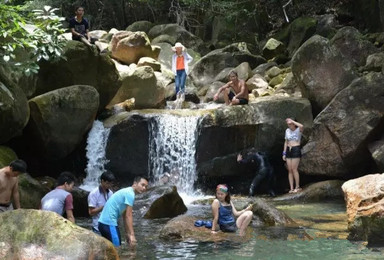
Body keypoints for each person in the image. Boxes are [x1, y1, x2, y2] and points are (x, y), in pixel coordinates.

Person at [98, 176, 148, 247]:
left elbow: (125, 216)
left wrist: (127, 233)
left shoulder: (127, 191)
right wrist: (132, 235)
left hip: (103, 224)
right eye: (142, 185)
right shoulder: (130, 194)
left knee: (109, 251)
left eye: (146, 186)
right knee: (117, 250)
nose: (144, 188)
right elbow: (129, 215)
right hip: (109, 224)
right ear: (135, 183)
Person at [88, 170, 115, 234]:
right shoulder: (94, 193)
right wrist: (103, 207)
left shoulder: (110, 193)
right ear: (102, 181)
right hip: (98, 227)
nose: (110, 185)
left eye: (111, 183)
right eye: (108, 183)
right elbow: (91, 212)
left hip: (109, 225)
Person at [282, 118, 304, 193]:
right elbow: (286, 142)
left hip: (296, 149)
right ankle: (291, 188)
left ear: (294, 124)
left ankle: (297, 186)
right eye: (288, 124)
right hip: (289, 149)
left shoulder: (298, 130)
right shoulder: (287, 131)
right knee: (290, 169)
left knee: (294, 169)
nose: (289, 125)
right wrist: (284, 153)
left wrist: (293, 121)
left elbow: (301, 126)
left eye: (290, 124)